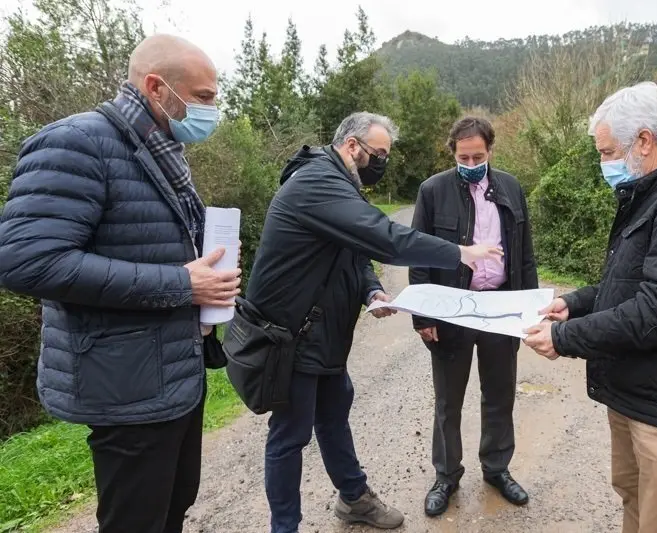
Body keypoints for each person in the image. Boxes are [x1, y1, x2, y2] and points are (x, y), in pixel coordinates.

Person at [0, 35, 240, 533]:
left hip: (174, 370)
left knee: (174, 504)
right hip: (126, 384)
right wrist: (180, 284)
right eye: (204, 97)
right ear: (156, 87)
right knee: (136, 521)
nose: (213, 111)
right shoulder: (76, 142)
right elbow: (25, 261)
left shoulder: (158, 148)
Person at [245, 111, 503, 533]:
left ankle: (354, 499)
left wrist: (370, 290)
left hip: (322, 333)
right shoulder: (317, 181)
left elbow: (354, 250)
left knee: (332, 416)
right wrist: (460, 252)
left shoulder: (341, 184)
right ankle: (284, 527)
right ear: (352, 147)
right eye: (378, 154)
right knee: (290, 435)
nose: (381, 162)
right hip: (289, 336)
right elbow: (383, 236)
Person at [524, 82, 657, 533]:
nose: (603, 163)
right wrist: (573, 303)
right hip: (639, 394)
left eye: (607, 152)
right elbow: (624, 286)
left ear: (643, 141)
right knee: (636, 502)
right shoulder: (652, 198)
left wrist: (565, 339)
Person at [408, 117, 538, 516]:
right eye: (463, 156)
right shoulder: (433, 191)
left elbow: (525, 253)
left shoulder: (512, 188)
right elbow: (417, 253)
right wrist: (422, 316)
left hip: (501, 308)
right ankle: (446, 476)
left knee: (499, 394)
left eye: (477, 156)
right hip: (452, 310)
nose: (470, 162)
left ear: (490, 152)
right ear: (452, 153)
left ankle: (497, 468)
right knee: (449, 400)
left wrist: (530, 310)